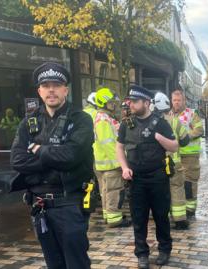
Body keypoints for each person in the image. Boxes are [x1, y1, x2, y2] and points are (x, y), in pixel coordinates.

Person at [10, 62, 94, 269]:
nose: (51, 90)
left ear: (65, 89)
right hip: (40, 207)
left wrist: (38, 149)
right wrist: (54, 157)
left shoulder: (81, 119)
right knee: (53, 264)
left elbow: (71, 156)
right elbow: (17, 160)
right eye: (46, 85)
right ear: (39, 91)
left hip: (69, 204)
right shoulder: (29, 122)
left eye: (56, 85)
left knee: (76, 264)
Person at [116, 85, 178, 269]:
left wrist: (161, 139)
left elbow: (174, 146)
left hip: (158, 178)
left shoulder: (160, 122)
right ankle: (142, 254)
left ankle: (165, 250)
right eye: (130, 101)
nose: (131, 104)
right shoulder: (127, 123)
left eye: (135, 101)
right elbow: (119, 147)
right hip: (136, 180)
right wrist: (124, 167)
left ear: (146, 102)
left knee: (161, 216)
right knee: (139, 218)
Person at [93, 87, 131, 228]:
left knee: (106, 191)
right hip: (110, 164)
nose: (113, 104)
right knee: (114, 191)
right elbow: (108, 144)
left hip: (105, 164)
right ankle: (115, 219)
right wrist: (120, 162)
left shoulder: (103, 117)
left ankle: (108, 214)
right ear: (103, 103)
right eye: (110, 102)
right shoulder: (103, 119)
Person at [154, 92, 191, 230]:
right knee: (177, 190)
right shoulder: (174, 120)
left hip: (154, 166)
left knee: (158, 193)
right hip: (174, 164)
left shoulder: (146, 122)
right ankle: (180, 220)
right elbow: (185, 140)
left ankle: (160, 219)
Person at [170, 89, 203, 219]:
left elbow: (199, 130)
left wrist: (185, 137)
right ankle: (179, 207)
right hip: (175, 156)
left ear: (184, 101)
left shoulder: (191, 114)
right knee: (177, 183)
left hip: (190, 156)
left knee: (189, 183)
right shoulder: (170, 115)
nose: (176, 103)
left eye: (179, 100)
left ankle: (190, 209)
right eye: (174, 100)